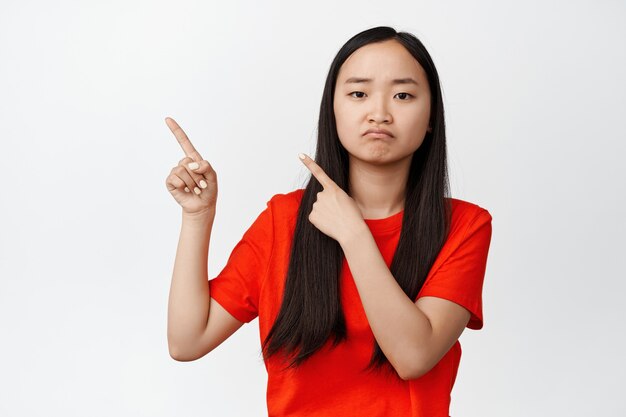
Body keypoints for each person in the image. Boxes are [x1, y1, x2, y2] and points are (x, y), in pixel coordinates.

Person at [165, 25, 493, 417]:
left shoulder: (464, 225)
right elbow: (187, 341)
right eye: (358, 93)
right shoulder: (283, 220)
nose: (379, 112)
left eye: (403, 95)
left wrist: (354, 234)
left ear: (430, 118)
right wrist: (197, 216)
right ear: (333, 110)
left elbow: (414, 356)